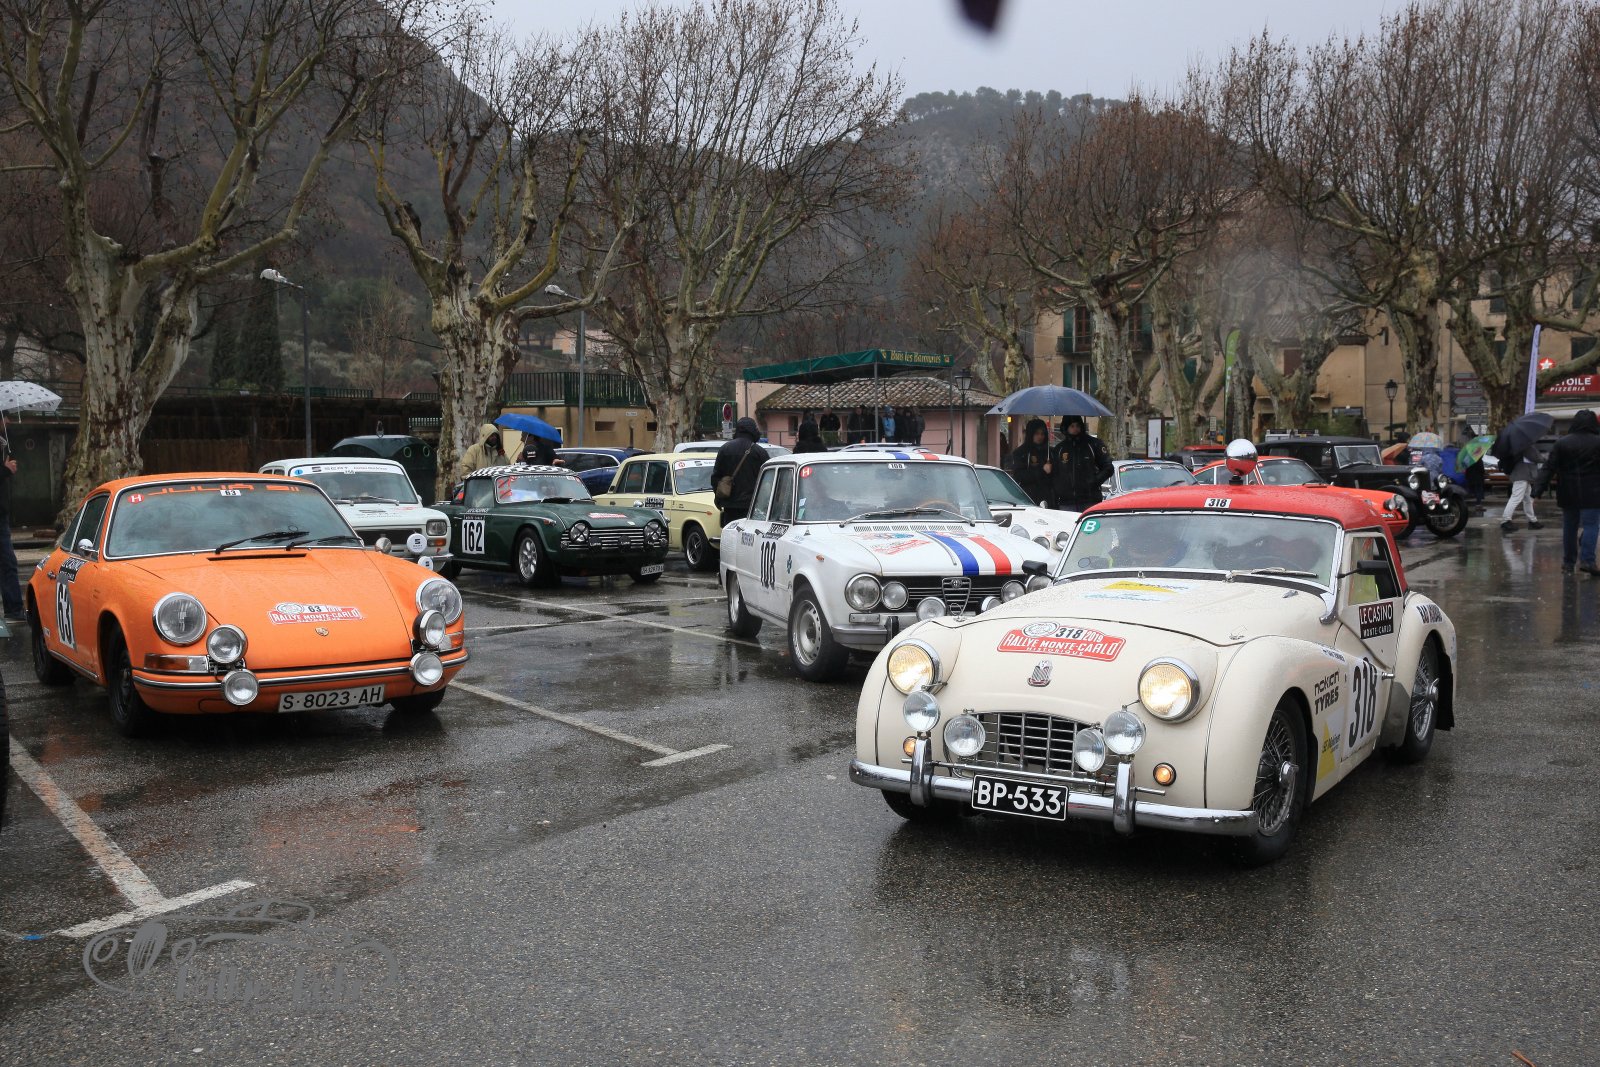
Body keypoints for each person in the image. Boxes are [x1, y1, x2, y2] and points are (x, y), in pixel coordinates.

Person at [1534, 409, 1600, 575]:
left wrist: (1538, 489)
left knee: (1570, 527)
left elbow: (1549, 467)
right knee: (1591, 525)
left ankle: (1568, 562)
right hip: (1593, 491)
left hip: (1568, 490)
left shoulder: (1562, 443)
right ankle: (1588, 560)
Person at [712, 417, 768, 526]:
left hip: (730, 506)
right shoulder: (760, 452)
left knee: (731, 533)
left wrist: (718, 497)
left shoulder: (724, 449)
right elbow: (769, 480)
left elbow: (715, 477)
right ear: (752, 431)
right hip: (753, 506)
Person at [1051, 415, 1114, 512]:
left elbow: (1108, 467)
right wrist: (1059, 489)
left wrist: (1094, 481)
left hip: (1090, 499)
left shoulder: (1093, 444)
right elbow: (1055, 474)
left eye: (1077, 426)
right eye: (1072, 426)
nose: (1075, 429)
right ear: (1066, 428)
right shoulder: (1059, 449)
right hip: (1066, 501)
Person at [1498, 430, 1543, 532]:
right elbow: (1536, 457)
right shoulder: (1524, 444)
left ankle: (1532, 520)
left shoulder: (1515, 444)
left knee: (1528, 499)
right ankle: (1505, 521)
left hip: (1522, 475)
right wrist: (1544, 458)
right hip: (1522, 475)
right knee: (1516, 498)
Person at [0, 416, 21, 622]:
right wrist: (5, 470)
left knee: (7, 563)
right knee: (7, 563)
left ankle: (13, 608)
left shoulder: (3, 442)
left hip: (2, 513)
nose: (8, 422)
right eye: (6, 417)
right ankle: (14, 609)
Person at [1009, 418, 1054, 506]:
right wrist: (1042, 470)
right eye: (1037, 434)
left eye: (1042, 434)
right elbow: (1019, 476)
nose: (1040, 437)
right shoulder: (1021, 453)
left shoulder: (1050, 452)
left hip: (1048, 498)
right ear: (1031, 434)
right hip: (1029, 498)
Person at [1460, 427, 1486, 510]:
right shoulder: (1478, 456)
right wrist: (1483, 473)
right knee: (1478, 489)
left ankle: (1466, 503)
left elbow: (1465, 465)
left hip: (1470, 475)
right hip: (1478, 475)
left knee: (1470, 489)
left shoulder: (1468, 453)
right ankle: (1478, 503)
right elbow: (1481, 467)